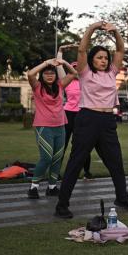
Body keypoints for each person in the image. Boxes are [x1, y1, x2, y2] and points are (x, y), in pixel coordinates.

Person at [55, 21, 128, 219]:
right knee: (76, 163)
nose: (103, 60)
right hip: (87, 119)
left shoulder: (111, 73)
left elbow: (120, 49)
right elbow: (83, 49)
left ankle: (122, 197)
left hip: (108, 121)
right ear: (92, 60)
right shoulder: (84, 73)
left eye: (105, 58)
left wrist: (116, 31)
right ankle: (62, 205)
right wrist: (92, 28)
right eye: (99, 57)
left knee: (116, 162)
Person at [26, 58, 78, 199]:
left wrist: (63, 63)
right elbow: (30, 74)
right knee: (46, 157)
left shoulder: (60, 85)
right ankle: (33, 187)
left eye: (52, 73)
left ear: (55, 75)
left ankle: (52, 187)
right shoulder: (37, 86)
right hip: (44, 127)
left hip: (60, 125)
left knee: (57, 158)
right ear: (42, 76)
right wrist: (46, 63)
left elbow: (73, 73)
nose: (49, 75)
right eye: (46, 73)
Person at [57, 44, 98, 180]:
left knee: (83, 145)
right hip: (68, 114)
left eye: (77, 68)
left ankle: (87, 172)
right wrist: (60, 52)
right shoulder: (66, 81)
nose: (75, 70)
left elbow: (89, 63)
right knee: (63, 145)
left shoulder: (86, 81)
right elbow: (58, 66)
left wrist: (83, 51)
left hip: (83, 115)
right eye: (72, 68)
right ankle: (56, 173)